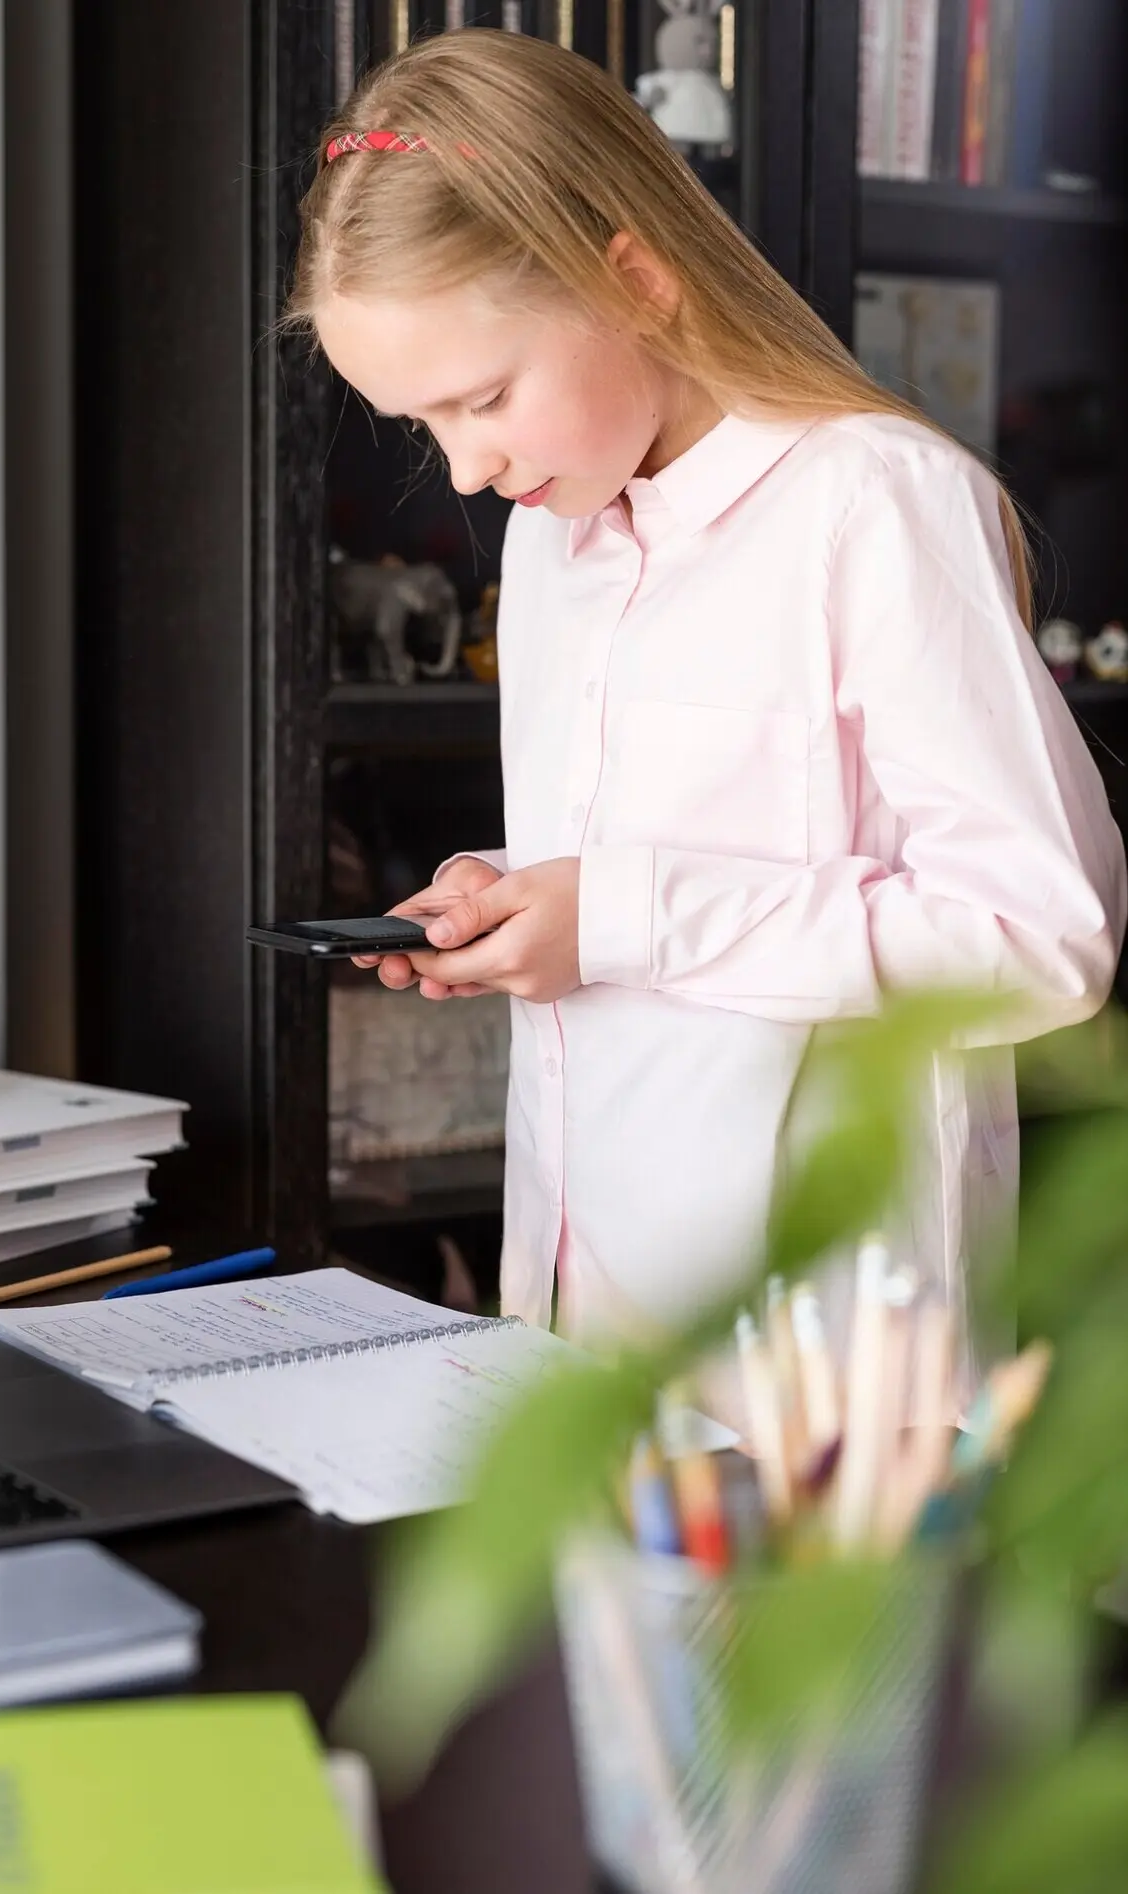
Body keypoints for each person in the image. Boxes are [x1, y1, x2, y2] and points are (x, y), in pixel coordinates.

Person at [286, 31, 1126, 1359]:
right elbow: (686, 859)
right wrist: (513, 898)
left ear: (635, 279)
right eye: (421, 424)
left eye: (486, 398)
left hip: (826, 1366)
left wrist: (621, 915)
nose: (464, 471)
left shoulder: (873, 504)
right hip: (576, 1338)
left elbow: (1040, 936)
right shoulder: (557, 537)